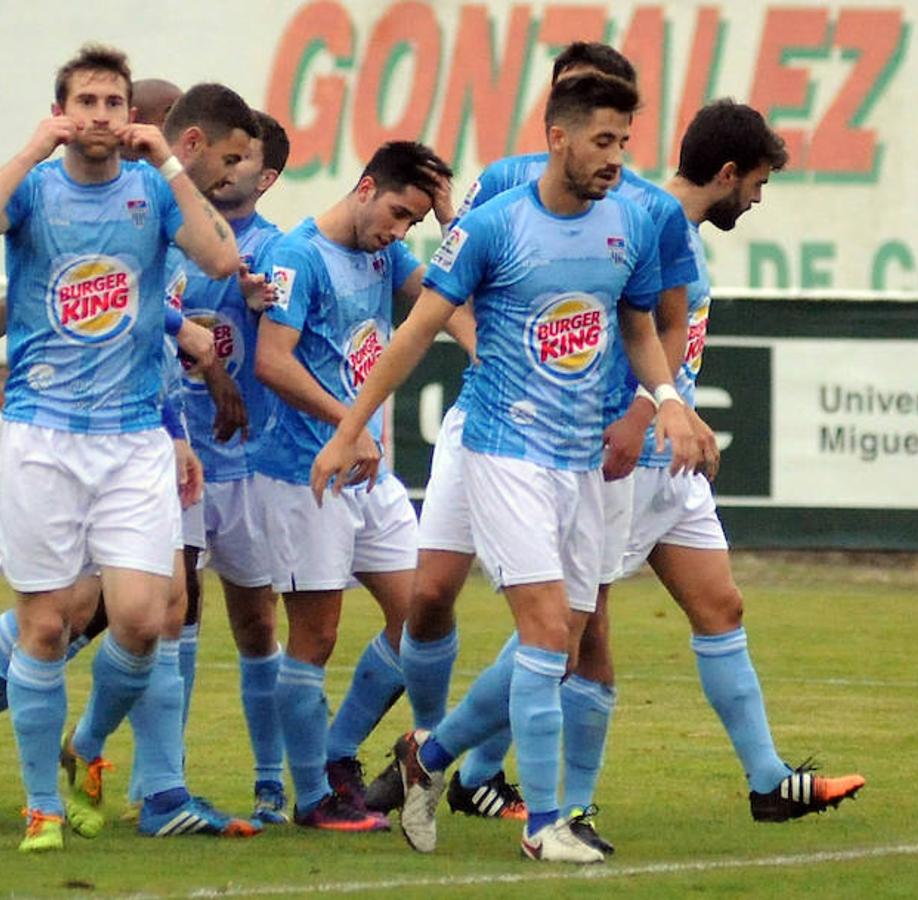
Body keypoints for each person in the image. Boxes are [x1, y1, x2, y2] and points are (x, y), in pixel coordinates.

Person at [311, 73, 700, 862]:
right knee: (546, 630)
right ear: (558, 138)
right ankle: (544, 824)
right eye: (603, 141)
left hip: (584, 459)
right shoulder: (494, 225)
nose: (616, 157)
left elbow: (638, 327)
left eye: (625, 142)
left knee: (569, 639)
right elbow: (416, 331)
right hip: (505, 448)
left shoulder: (631, 222)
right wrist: (349, 428)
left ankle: (428, 756)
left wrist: (665, 399)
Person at [0, 45, 249, 853]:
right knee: (47, 627)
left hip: (132, 438)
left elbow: (222, 258)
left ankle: (83, 743)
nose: (99, 115)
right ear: (63, 111)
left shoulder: (152, 191)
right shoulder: (34, 187)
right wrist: (29, 149)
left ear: (131, 115)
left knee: (144, 619)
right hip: (43, 436)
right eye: (84, 102)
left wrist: (168, 163)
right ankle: (40, 808)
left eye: (112, 102)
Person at [614, 99, 864, 822]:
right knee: (560, 634)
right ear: (727, 173)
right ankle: (446, 759)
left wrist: (686, 414)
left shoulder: (679, 231)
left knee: (720, 606)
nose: (757, 199)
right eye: (757, 183)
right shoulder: (649, 223)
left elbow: (670, 349)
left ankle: (768, 781)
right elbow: (622, 339)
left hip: (672, 457)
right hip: (630, 459)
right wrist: (654, 415)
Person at [254, 140, 456, 831]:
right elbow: (272, 361)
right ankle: (314, 796)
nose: (399, 232)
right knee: (316, 635)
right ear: (366, 187)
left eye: (413, 223)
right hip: (305, 473)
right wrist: (350, 423)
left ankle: (339, 752)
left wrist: (451, 221)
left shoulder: (384, 255)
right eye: (398, 214)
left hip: (371, 473)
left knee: (420, 618)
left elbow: (450, 297)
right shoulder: (298, 256)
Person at [163, 109, 291, 823]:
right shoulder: (174, 235)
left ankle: (270, 780)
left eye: (245, 161)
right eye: (226, 155)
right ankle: (167, 778)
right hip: (173, 451)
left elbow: (285, 331)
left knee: (255, 623)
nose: (229, 168)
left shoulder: (275, 250)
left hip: (246, 462)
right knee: (174, 613)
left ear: (265, 177)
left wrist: (259, 304)